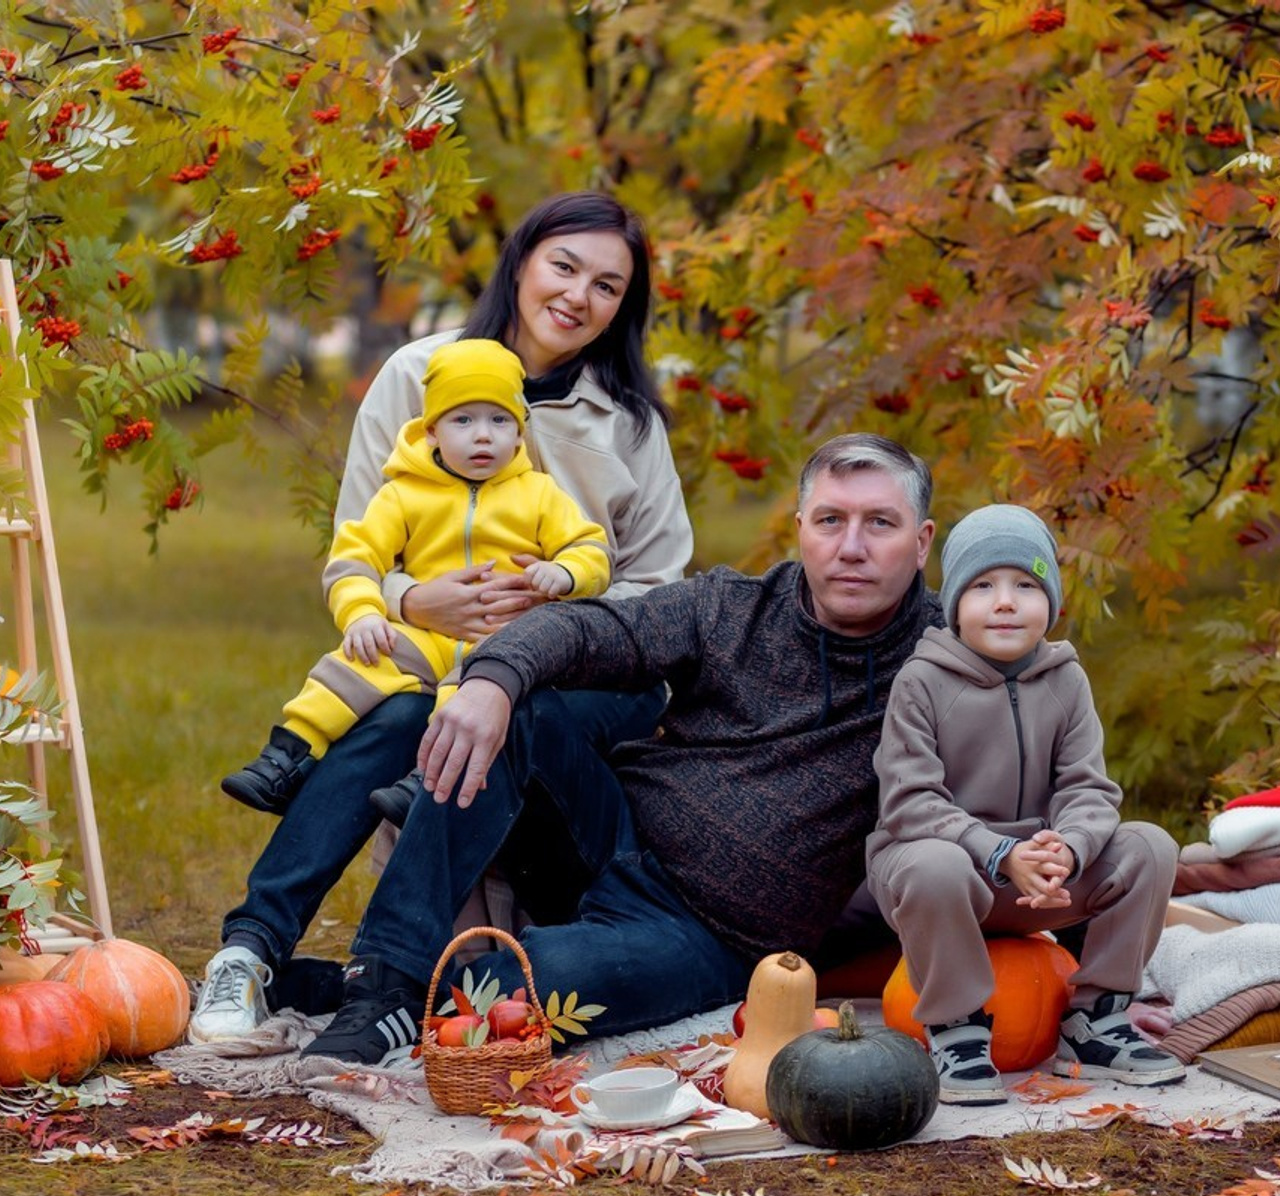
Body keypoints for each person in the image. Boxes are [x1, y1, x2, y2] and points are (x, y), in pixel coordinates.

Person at [189, 191, 693, 1045]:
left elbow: (664, 586)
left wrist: (561, 608)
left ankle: (372, 977)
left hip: (577, 678)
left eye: (608, 286)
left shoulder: (629, 423)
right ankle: (251, 950)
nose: (579, 296)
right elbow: (359, 545)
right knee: (401, 714)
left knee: (452, 714)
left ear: (623, 308)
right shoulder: (416, 375)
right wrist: (414, 600)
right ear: (523, 261)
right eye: (564, 266)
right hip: (435, 648)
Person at [299, 433, 944, 1065]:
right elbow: (593, 627)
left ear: (921, 544)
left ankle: (384, 997)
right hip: (611, 840)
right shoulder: (732, 608)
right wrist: (490, 683)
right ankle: (381, 981)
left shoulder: (947, 665)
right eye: (831, 520)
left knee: (546, 981)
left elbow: (1039, 717)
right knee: (523, 709)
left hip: (707, 936)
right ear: (802, 528)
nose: (851, 547)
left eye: (880, 523)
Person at [865, 504, 1185, 1106]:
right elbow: (910, 801)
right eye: (983, 586)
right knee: (934, 862)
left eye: (1026, 585)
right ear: (954, 604)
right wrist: (999, 852)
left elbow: (1088, 788)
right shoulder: (923, 681)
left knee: (1149, 845)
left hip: (1043, 878)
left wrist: (1069, 846)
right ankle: (956, 1029)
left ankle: (1096, 1020)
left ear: (1052, 602)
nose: (1005, 601)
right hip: (946, 877)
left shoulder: (1066, 680)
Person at [220, 339, 611, 815]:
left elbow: (592, 549)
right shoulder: (404, 494)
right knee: (355, 663)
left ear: (519, 433)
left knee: (469, 697)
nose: (482, 436)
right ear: (432, 432)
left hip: (506, 645)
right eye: (463, 420)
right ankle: (289, 754)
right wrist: (363, 613)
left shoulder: (540, 495)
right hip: (425, 636)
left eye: (499, 420)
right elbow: (354, 559)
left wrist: (565, 572)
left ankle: (421, 783)